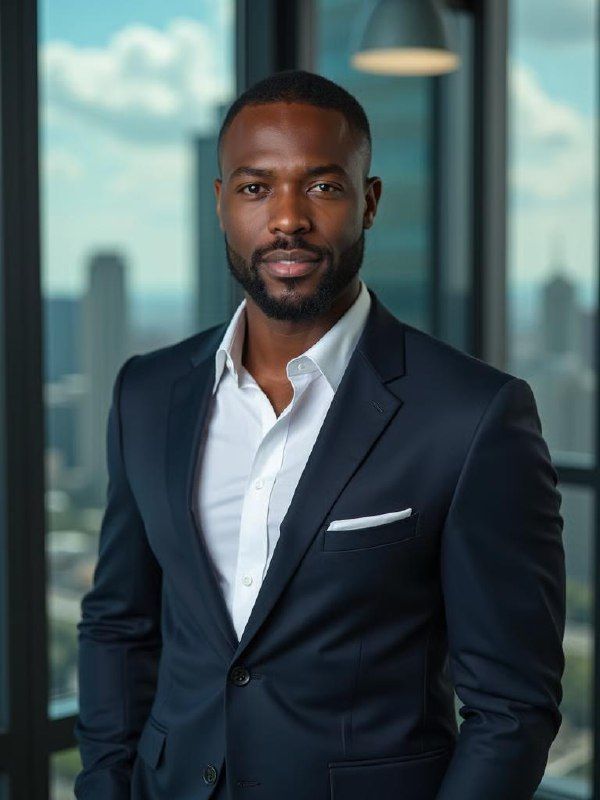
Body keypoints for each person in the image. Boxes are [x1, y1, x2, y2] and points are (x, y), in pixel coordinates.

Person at [73, 69, 565, 800]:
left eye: (323, 187)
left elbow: (512, 709)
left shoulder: (473, 417)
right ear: (219, 205)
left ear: (368, 202)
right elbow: (119, 625)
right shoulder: (148, 393)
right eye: (254, 187)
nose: (287, 219)